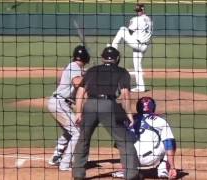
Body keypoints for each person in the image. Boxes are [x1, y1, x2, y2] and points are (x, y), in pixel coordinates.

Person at [72, 46, 141, 180]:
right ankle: (131, 175)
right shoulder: (122, 72)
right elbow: (125, 95)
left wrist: (78, 112)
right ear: (117, 59)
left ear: (103, 58)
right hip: (108, 106)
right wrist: (129, 115)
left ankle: (78, 175)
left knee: (83, 140)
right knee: (124, 141)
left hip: (90, 105)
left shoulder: (92, 70)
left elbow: (80, 92)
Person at [47, 45, 90, 171]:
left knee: (69, 131)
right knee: (77, 131)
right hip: (59, 103)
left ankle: (57, 156)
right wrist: (90, 77)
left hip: (59, 103)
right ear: (86, 58)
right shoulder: (74, 67)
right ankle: (65, 164)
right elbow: (77, 82)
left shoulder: (74, 67)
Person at [112, 96, 178, 179]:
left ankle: (126, 170)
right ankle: (163, 169)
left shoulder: (128, 120)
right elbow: (169, 144)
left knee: (123, 142)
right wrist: (172, 167)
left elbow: (118, 145)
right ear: (153, 107)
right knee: (169, 141)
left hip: (131, 159)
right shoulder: (160, 120)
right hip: (152, 158)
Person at [111, 3, 153, 93]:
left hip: (137, 44)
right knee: (137, 65)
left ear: (143, 10)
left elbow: (129, 30)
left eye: (139, 10)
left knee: (122, 29)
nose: (138, 12)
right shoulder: (149, 19)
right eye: (137, 11)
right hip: (144, 46)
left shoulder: (136, 19)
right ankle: (141, 87)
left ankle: (112, 51)